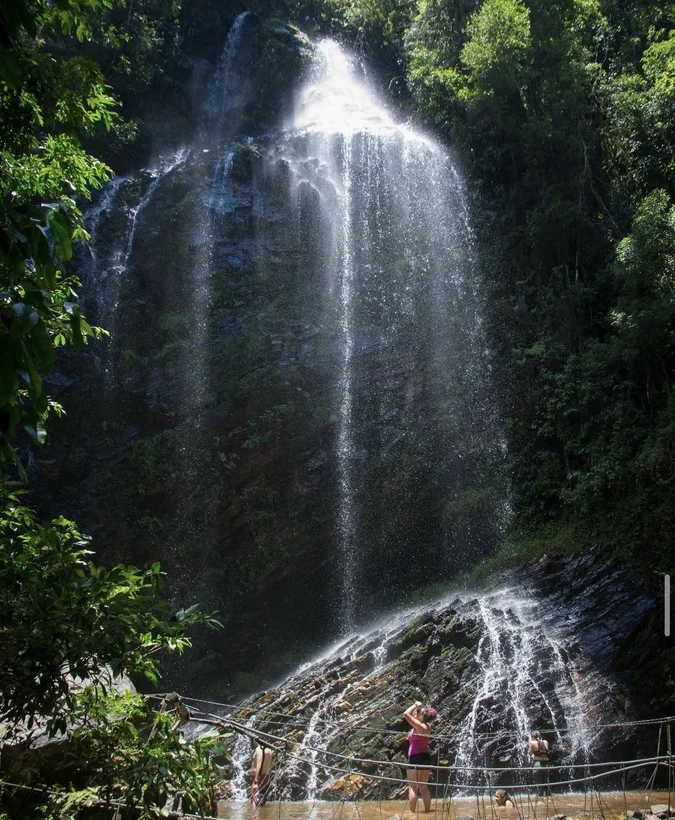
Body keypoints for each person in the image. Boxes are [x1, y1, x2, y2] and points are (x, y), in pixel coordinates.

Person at [403, 700, 438, 813]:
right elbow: (413, 717)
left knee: (413, 786)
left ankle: (412, 813)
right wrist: (417, 710)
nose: (417, 714)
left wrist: (415, 705)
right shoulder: (427, 726)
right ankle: (427, 812)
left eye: (419, 713)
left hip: (415, 756)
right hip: (425, 756)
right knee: (423, 786)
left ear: (423, 716)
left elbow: (406, 714)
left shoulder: (419, 726)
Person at [248, 741, 273, 807]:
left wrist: (256, 782)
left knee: (255, 804)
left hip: (259, 779)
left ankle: (255, 817)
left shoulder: (259, 749)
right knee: (260, 804)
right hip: (266, 778)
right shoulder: (269, 750)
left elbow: (259, 765)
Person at [528, 731, 549, 796]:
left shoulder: (533, 743)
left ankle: (540, 797)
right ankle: (548, 797)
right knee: (547, 782)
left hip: (538, 764)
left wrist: (530, 743)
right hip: (546, 763)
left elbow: (530, 753)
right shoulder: (545, 742)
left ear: (533, 737)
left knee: (538, 783)